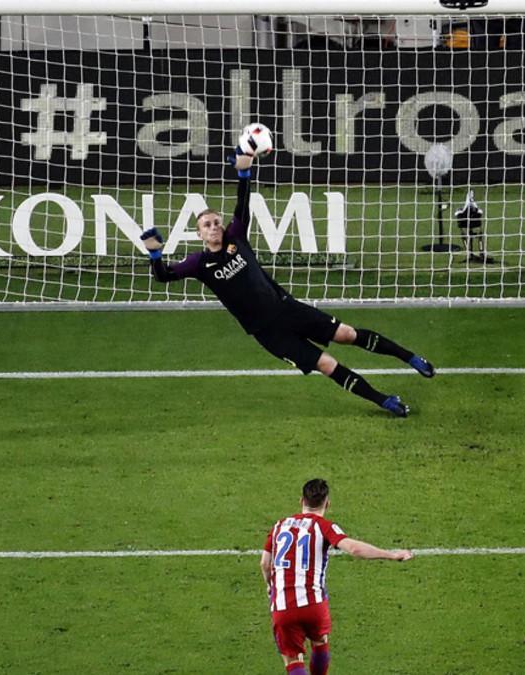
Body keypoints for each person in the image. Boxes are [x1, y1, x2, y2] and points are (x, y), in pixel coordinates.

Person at [140, 151, 434, 417]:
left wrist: (244, 173)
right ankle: (383, 401)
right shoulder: (198, 263)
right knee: (326, 364)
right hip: (268, 333)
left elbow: (243, 206)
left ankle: (411, 358)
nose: (214, 227)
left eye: (216, 222)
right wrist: (155, 254)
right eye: (207, 225)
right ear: (200, 235)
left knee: (347, 333)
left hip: (286, 308)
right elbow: (163, 276)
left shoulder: (236, 238)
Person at [261, 479, 413, 675]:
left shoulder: (278, 526)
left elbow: (265, 563)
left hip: (283, 607)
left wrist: (270, 585)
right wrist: (392, 555)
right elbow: (354, 549)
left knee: (292, 661)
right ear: (327, 503)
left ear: (301, 501)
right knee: (320, 642)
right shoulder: (324, 526)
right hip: (314, 605)